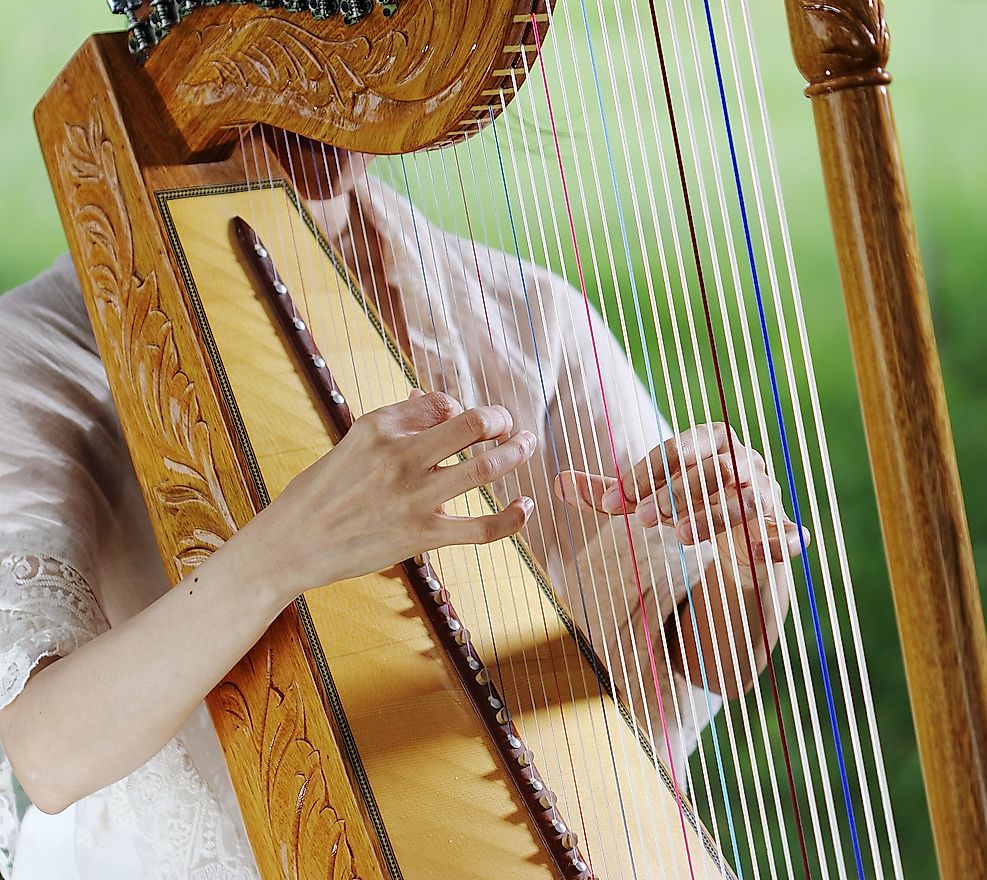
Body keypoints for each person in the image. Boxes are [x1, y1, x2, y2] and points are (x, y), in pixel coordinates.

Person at [0, 143, 807, 878]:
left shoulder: (521, 313)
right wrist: (289, 547)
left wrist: (741, 552)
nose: (335, 122)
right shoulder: (42, 355)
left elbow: (713, 655)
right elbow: (49, 754)